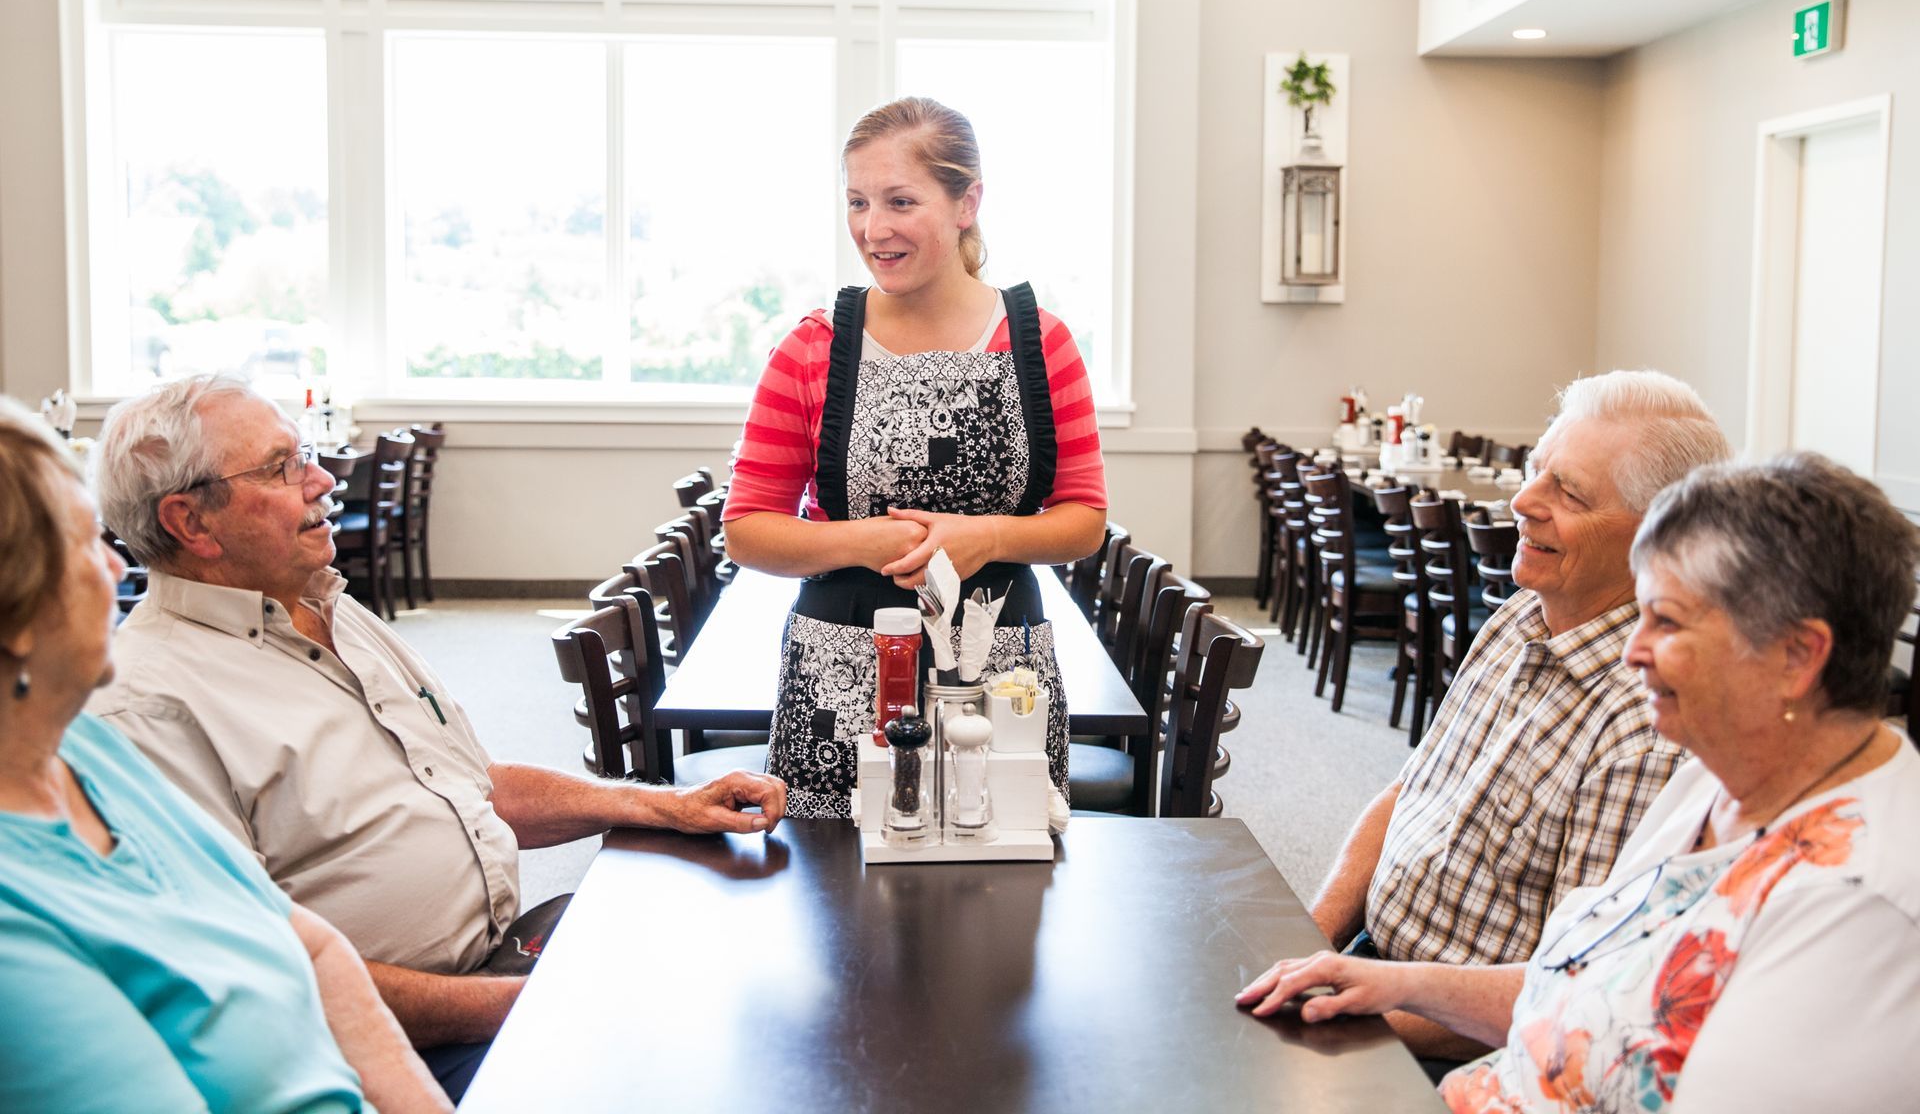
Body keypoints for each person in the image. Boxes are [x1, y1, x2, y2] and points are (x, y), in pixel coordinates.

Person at [87, 374, 787, 1100]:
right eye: (281, 467)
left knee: (738, 971)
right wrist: (522, 1007)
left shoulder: (327, 608)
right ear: (190, 522)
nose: (323, 479)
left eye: (308, 454)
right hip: (387, 1052)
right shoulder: (148, 704)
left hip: (498, 961)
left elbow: (471, 786)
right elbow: (252, 975)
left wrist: (660, 805)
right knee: (712, 1070)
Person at [1239, 452, 1920, 1112]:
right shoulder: (1722, 775)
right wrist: (1393, 982)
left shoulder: (1863, 900)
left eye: (1668, 622)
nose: (1631, 650)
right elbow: (1585, 989)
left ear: (1797, 657)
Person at [0, 397, 449, 1113]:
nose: (118, 571)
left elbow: (312, 948)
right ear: (14, 614)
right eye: (87, 542)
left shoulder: (80, 747)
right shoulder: (16, 915)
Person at [1289, 370, 1731, 1067]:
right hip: (1372, 975)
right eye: (1535, 471)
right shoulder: (1519, 616)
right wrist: (1306, 937)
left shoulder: (1644, 726)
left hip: (1466, 1046)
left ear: (1660, 537)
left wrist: (1349, 1018)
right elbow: (1409, 794)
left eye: (1569, 492)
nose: (1524, 501)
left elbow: (1567, 994)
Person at [724, 96, 1108, 818]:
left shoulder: (1039, 343)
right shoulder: (811, 347)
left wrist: (986, 536)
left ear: (968, 203)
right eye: (858, 202)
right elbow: (746, 528)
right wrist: (870, 542)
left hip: (1003, 679)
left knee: (1001, 891)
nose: (874, 229)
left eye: (901, 201)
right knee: (839, 905)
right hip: (842, 676)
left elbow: (1084, 520)